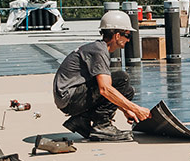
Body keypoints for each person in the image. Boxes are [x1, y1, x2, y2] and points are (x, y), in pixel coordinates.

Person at [53, 10, 151, 141]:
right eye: (127, 35)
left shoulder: (97, 48)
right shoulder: (99, 51)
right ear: (117, 35)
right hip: (69, 99)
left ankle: (81, 120)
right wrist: (137, 109)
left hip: (69, 97)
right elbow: (104, 89)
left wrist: (125, 110)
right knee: (121, 79)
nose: (128, 40)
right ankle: (102, 126)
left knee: (126, 90)